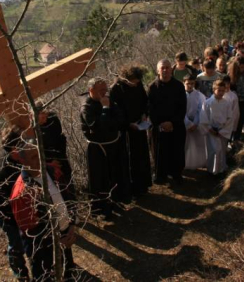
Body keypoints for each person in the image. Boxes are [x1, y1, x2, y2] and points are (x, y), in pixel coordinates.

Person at [9, 140, 77, 280]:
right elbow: (31, 232)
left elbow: (68, 196)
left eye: (40, 154)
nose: (39, 159)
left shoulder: (53, 171)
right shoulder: (21, 193)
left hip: (65, 236)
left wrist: (72, 225)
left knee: (69, 274)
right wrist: (57, 243)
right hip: (44, 250)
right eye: (34, 157)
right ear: (22, 160)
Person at [80, 78, 128, 218]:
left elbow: (120, 120)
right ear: (91, 90)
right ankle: (103, 209)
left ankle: (115, 203)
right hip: (97, 149)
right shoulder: (86, 107)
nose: (105, 92)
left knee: (114, 175)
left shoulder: (108, 99)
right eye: (101, 90)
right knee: (100, 180)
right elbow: (96, 126)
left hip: (113, 145)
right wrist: (106, 110)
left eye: (105, 89)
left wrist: (107, 121)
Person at [0, 126, 30, 281]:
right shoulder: (4, 171)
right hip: (9, 217)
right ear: (14, 148)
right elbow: (5, 203)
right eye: (22, 144)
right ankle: (21, 275)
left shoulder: (15, 158)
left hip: (19, 212)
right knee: (16, 247)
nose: (26, 146)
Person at [110, 65, 152, 196]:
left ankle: (143, 185)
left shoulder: (138, 85)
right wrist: (128, 124)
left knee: (142, 157)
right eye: (133, 83)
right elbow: (116, 112)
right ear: (126, 79)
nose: (135, 85)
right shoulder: (116, 89)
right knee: (129, 159)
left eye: (137, 83)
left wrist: (144, 114)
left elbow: (145, 101)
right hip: (126, 130)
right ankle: (132, 188)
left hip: (139, 126)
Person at [148, 59, 187, 184]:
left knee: (177, 151)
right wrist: (160, 123)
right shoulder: (152, 87)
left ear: (171, 69)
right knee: (159, 152)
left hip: (176, 126)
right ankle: (160, 176)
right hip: (158, 127)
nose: (165, 70)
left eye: (167, 67)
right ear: (158, 70)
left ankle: (176, 174)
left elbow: (183, 107)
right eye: (162, 68)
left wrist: (172, 123)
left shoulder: (179, 86)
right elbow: (150, 108)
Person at [200, 79, 233, 175]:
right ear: (214, 90)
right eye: (219, 90)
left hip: (222, 131)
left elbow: (230, 118)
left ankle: (221, 169)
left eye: (223, 90)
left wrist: (222, 131)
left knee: (221, 151)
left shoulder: (227, 103)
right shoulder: (207, 103)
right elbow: (203, 118)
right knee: (213, 151)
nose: (221, 93)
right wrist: (210, 129)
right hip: (211, 131)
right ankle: (211, 170)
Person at [183, 74, 208, 170]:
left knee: (197, 144)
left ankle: (197, 162)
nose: (190, 85)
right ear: (184, 83)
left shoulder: (200, 95)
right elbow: (180, 110)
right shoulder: (180, 95)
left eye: (192, 83)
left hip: (196, 123)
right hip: (184, 123)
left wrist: (195, 123)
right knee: (186, 144)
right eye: (187, 83)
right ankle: (185, 163)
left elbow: (200, 110)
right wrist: (188, 123)